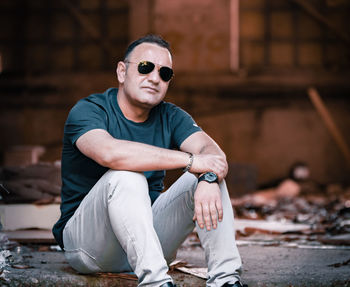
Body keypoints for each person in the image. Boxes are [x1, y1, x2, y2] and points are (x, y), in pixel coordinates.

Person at [53, 34, 244, 287]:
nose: (155, 78)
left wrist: (207, 176)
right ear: (122, 72)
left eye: (165, 74)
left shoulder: (172, 116)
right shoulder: (90, 110)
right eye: (145, 67)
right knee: (126, 175)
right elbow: (108, 153)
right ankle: (156, 283)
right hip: (89, 247)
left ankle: (226, 280)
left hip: (146, 244)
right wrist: (190, 161)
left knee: (209, 178)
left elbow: (215, 156)